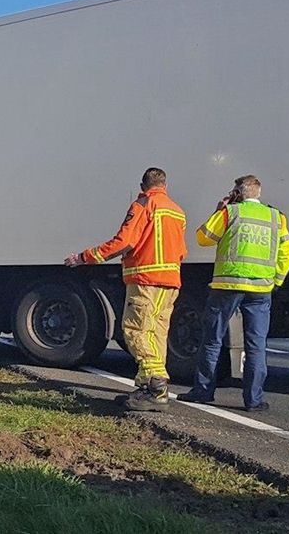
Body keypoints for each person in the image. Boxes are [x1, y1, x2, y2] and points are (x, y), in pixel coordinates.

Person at [65, 167, 187, 411]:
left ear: (143, 185)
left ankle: (156, 386)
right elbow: (182, 250)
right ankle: (146, 387)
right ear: (165, 185)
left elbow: (124, 242)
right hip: (170, 281)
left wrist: (84, 257)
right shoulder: (177, 210)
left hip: (145, 280)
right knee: (156, 334)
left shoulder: (143, 205)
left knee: (136, 331)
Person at [178, 175, 289, 412]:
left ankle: (203, 391)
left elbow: (203, 239)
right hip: (261, 289)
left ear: (238, 193)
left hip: (227, 287)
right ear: (258, 193)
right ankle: (254, 400)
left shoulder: (230, 213)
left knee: (212, 340)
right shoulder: (276, 217)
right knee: (256, 344)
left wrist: (218, 210)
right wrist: (276, 281)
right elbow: (288, 251)